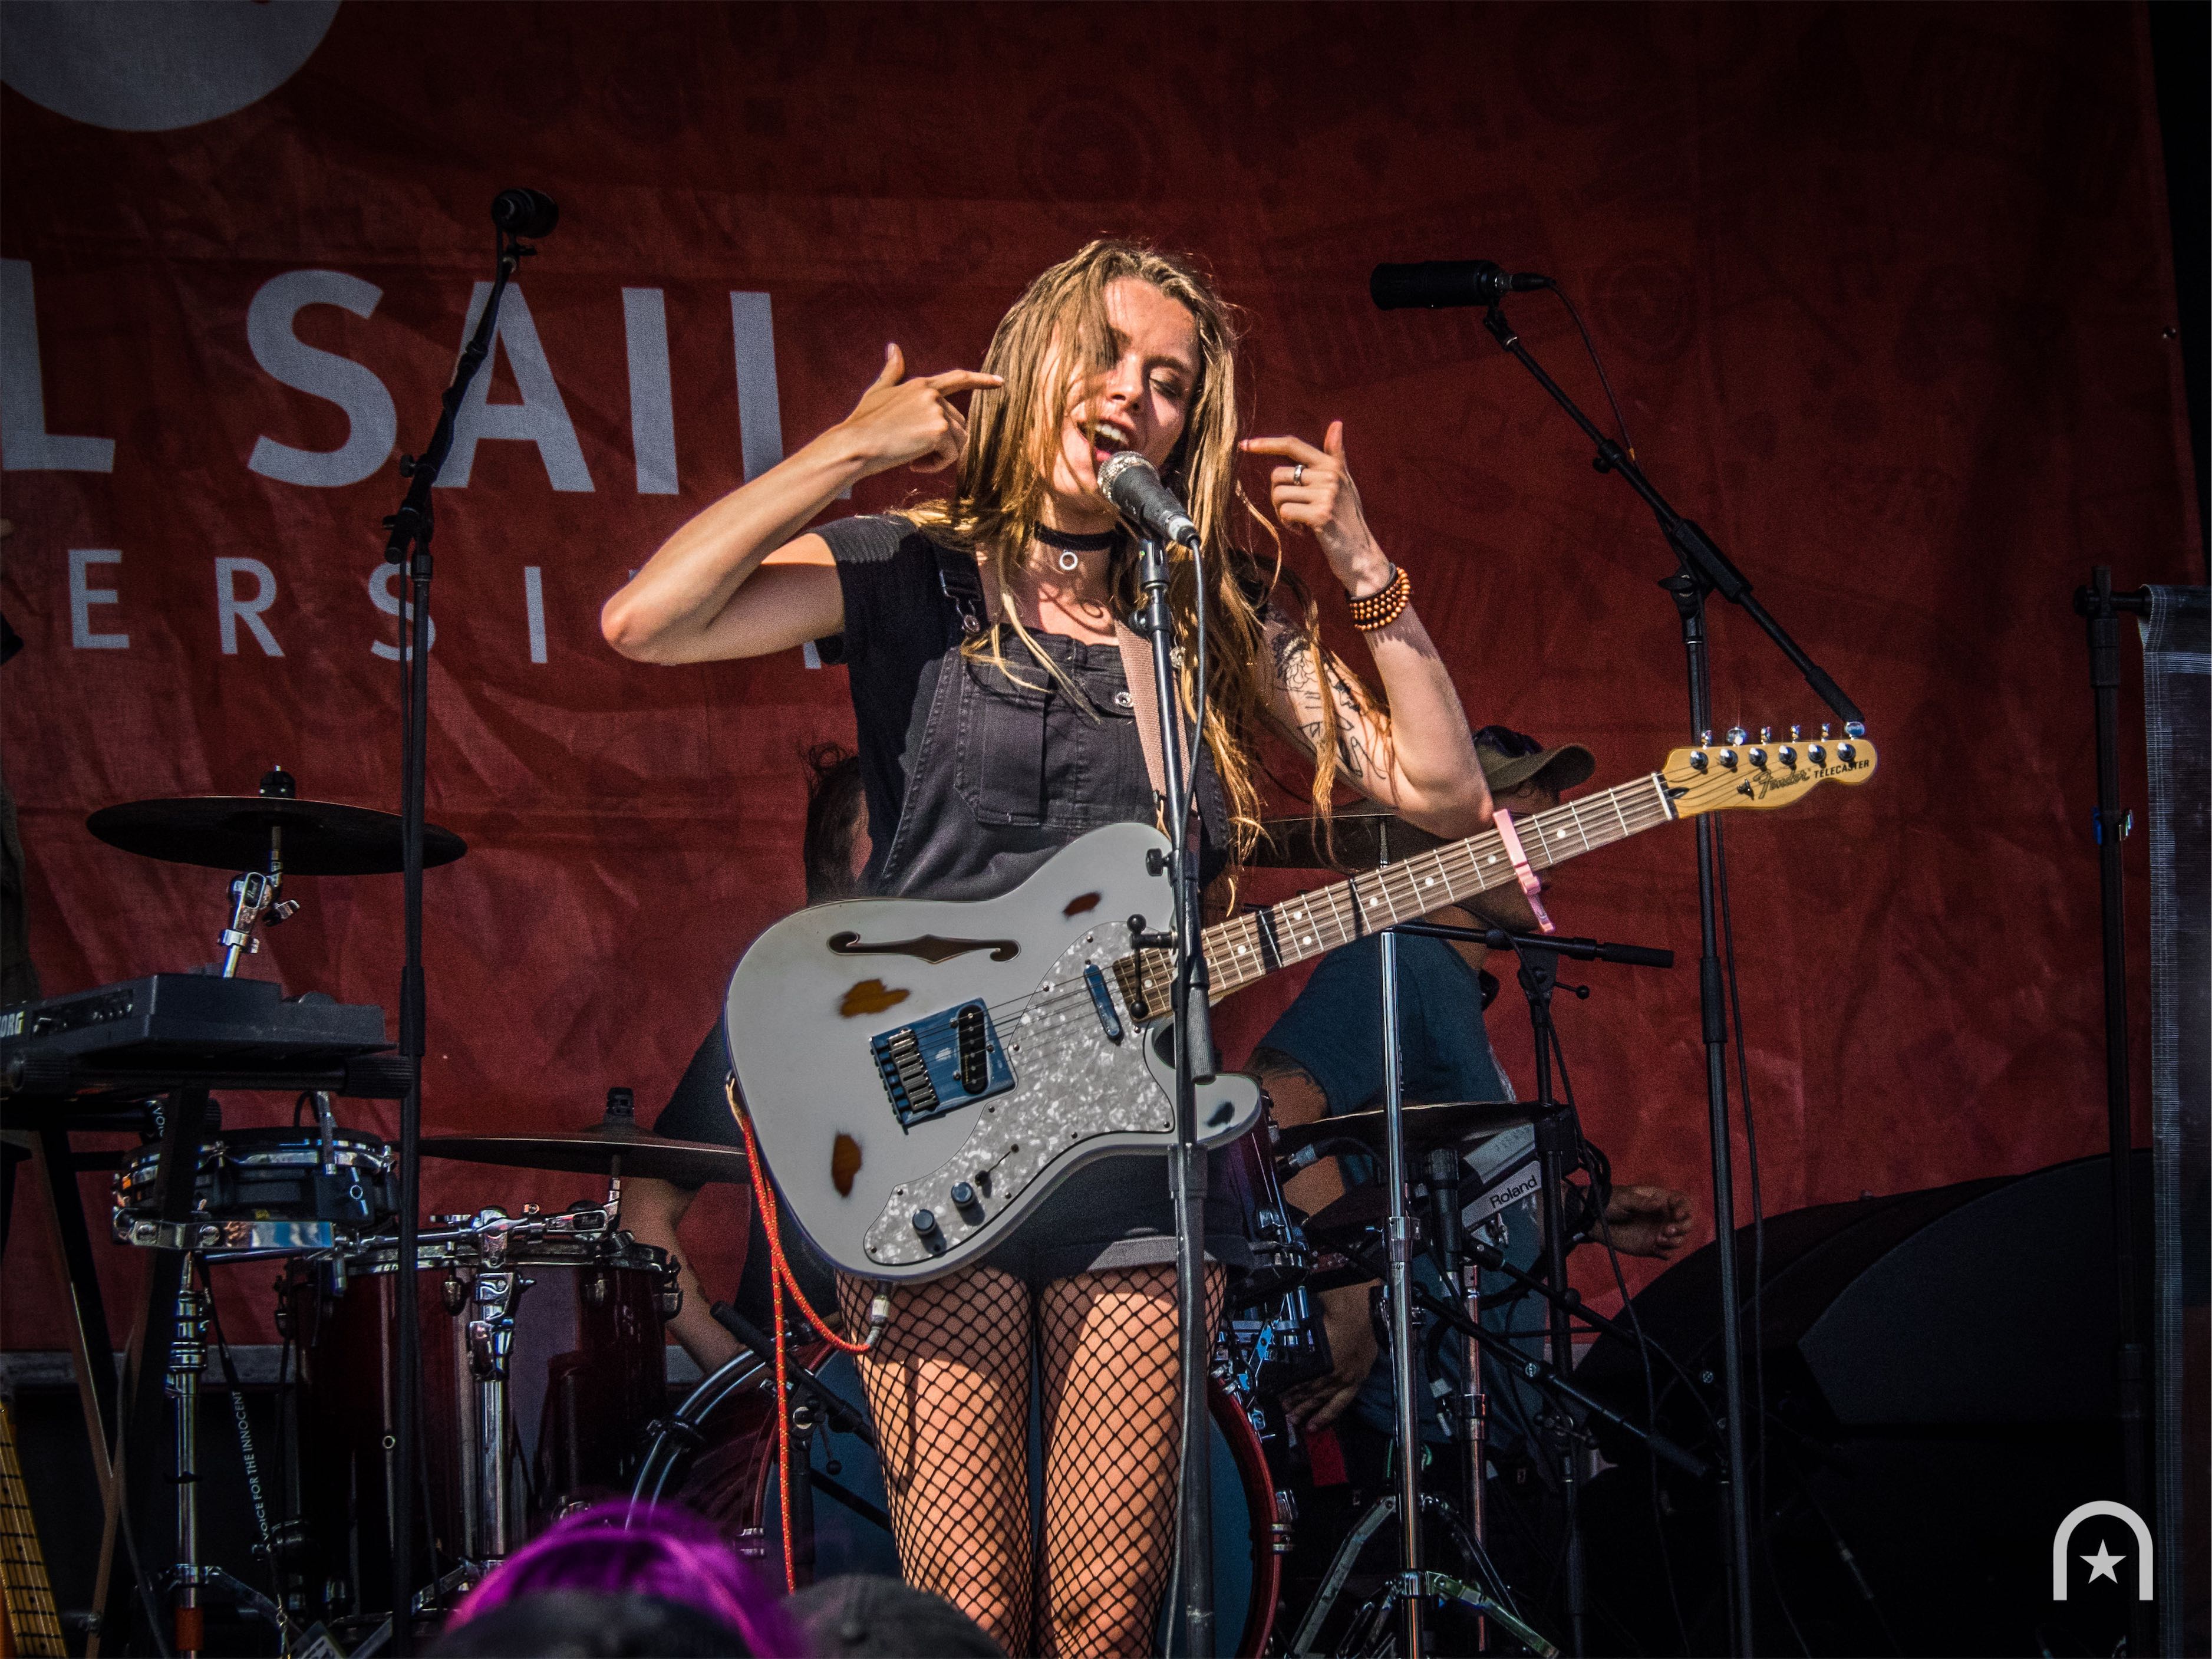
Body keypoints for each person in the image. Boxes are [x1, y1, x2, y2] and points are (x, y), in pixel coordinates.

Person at [602, 239, 1493, 1657]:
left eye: (1169, 382)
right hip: (940, 1131)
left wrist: (1362, 564)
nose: (1132, 394)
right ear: (1034, 368)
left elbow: (1439, 791)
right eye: (1105, 356)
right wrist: (850, 450)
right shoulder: (913, 569)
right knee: (964, 1613)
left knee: (1103, 1613)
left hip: (1137, 1145)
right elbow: (646, 621)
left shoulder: (1206, 601)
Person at [1251, 726, 1694, 1450]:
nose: (1550, 853)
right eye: (1522, 826)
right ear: (1440, 842)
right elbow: (1273, 1103)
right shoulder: (1392, 961)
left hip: (1487, 1422)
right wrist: (1347, 1299)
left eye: (1554, 828)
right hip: (1422, 1432)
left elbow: (1447, 1185)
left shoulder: (1450, 983)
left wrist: (1583, 1214)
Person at [622, 743, 865, 1379]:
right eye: (889, 833)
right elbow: (644, 1210)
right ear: (838, 872)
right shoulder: (778, 1014)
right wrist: (735, 1370)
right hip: (809, 1383)